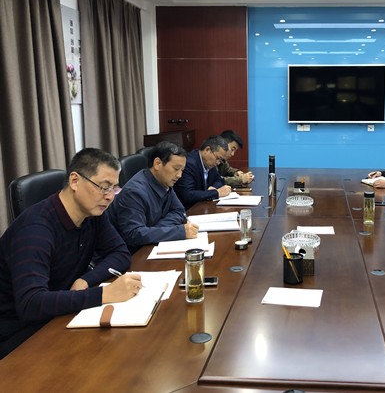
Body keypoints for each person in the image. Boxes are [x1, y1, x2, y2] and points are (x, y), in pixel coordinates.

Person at [0, 148, 140, 359]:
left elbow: (120, 252)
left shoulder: (92, 214)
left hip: (60, 312)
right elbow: (30, 303)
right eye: (104, 187)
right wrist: (104, 294)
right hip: (20, 334)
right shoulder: (35, 230)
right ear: (75, 181)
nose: (110, 196)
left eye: (114, 188)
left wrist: (86, 280)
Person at [107, 141, 199, 253]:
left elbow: (179, 211)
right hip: (134, 253)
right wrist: (178, 231)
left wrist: (155, 229)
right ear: (157, 164)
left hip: (151, 245)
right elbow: (133, 234)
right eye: (176, 169)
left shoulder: (164, 181)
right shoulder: (134, 192)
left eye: (182, 170)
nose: (179, 175)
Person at [174, 135, 232, 208]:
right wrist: (216, 193)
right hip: (189, 209)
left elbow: (219, 180)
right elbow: (187, 195)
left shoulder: (210, 163)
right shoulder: (189, 164)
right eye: (217, 158)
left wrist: (214, 187)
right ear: (207, 150)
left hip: (203, 207)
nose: (218, 162)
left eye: (221, 160)